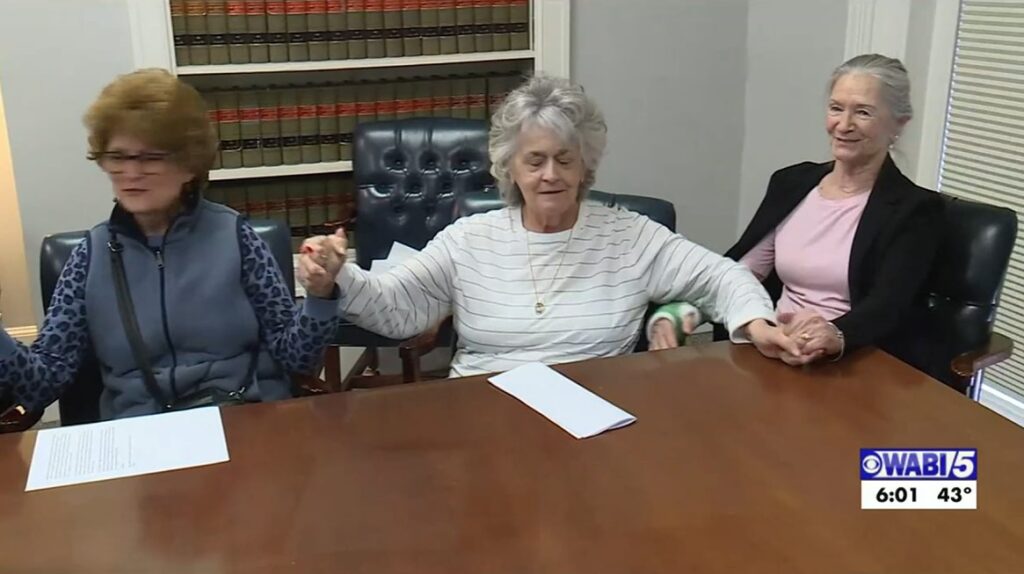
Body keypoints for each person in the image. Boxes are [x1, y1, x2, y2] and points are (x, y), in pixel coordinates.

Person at [298, 75, 805, 377]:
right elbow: (396, 308)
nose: (550, 175)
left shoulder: (629, 236)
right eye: (535, 160)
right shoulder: (469, 240)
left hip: (600, 418)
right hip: (484, 417)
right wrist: (335, 279)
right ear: (510, 168)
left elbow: (721, 277)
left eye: (566, 159)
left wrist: (755, 325)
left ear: (587, 165)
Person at [0, 69, 341, 420]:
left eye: (150, 157)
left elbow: (297, 358)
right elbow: (40, 384)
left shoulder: (237, 238)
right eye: (118, 156)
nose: (131, 173)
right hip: (138, 437)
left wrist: (320, 296)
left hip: (243, 420)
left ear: (189, 165)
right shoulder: (88, 257)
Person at [649, 54, 943, 364]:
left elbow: (887, 307)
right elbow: (741, 271)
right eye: (836, 108)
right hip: (774, 348)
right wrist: (680, 314)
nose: (843, 125)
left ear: (899, 123)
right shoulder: (792, 183)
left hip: (853, 361)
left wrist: (833, 336)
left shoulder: (916, 210)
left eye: (864, 112)